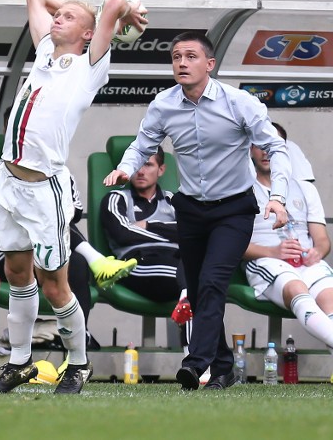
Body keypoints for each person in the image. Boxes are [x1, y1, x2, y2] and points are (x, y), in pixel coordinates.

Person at [104, 30, 291, 391]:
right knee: (199, 287)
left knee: (212, 282)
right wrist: (127, 167)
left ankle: (196, 361)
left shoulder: (240, 103)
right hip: (189, 209)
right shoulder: (164, 103)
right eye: (176, 57)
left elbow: (275, 147)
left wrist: (278, 196)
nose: (181, 63)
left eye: (190, 56)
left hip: (234, 210)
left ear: (210, 64)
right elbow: (143, 145)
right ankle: (223, 367)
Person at [0, 0, 147, 395]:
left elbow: (113, 3)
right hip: (8, 183)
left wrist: (127, 7)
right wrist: (73, 11)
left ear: (90, 35)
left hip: (45, 189)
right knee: (16, 274)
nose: (58, 19)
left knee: (54, 284)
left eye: (69, 19)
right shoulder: (43, 51)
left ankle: (78, 362)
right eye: (60, 16)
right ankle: (19, 364)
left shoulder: (89, 65)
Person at [0, 147, 132, 351]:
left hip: (50, 248)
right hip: (8, 254)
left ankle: (77, 343)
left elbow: (74, 211)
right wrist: (43, 206)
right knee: (47, 220)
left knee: (76, 262)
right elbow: (3, 214)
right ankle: (97, 260)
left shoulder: (57, 172)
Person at [244, 127, 333, 377]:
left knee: (330, 297)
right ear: (251, 149)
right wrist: (272, 251)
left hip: (304, 260)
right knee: (297, 288)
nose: (267, 152)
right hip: (264, 259)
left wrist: (317, 252)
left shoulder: (304, 188)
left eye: (274, 145)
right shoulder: (242, 190)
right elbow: (230, 245)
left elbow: (322, 241)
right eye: (261, 144)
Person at [100, 146, 194, 353]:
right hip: (137, 264)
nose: (141, 171)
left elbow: (192, 232)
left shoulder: (174, 200)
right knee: (193, 283)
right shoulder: (116, 198)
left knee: (198, 280)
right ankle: (194, 358)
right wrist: (173, 233)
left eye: (148, 164)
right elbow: (122, 233)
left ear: (161, 170)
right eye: (137, 165)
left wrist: (150, 225)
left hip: (176, 262)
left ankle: (196, 361)